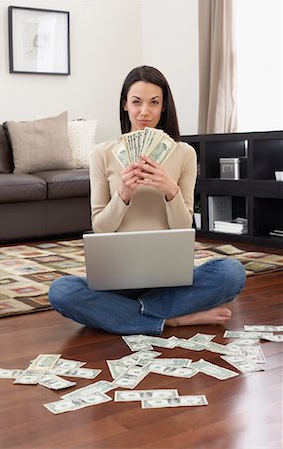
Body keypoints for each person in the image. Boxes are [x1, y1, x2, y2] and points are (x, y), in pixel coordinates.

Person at [49, 65, 246, 335]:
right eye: (136, 102)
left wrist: (170, 190)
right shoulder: (102, 154)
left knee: (231, 271)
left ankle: (127, 315)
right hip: (118, 279)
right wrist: (123, 195)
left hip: (169, 277)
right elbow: (101, 228)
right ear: (125, 105)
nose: (145, 112)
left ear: (164, 106)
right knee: (62, 291)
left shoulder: (184, 153)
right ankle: (171, 318)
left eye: (154, 102)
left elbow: (182, 227)